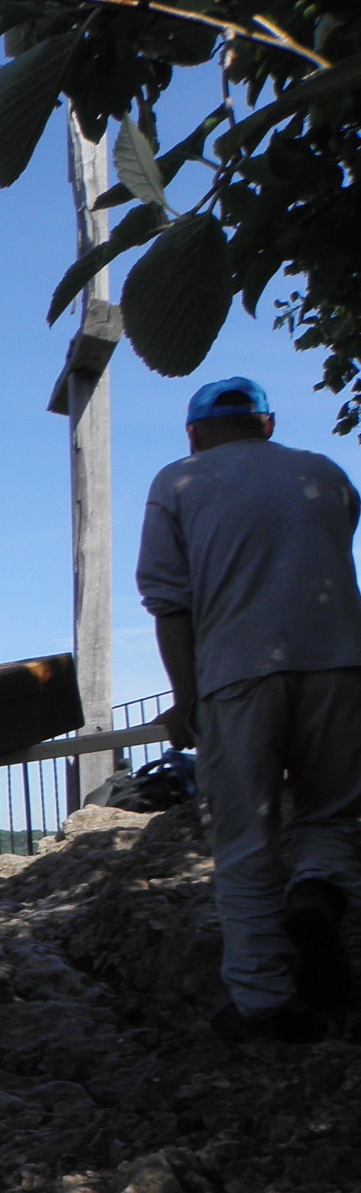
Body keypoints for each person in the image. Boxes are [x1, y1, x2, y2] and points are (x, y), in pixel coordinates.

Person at [138, 376, 361, 1041]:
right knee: (332, 811)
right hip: (340, 663)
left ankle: (264, 1001)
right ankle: (318, 890)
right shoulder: (325, 475)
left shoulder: (177, 482)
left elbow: (170, 602)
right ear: (267, 425)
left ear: (194, 433)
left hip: (238, 672)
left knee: (245, 835)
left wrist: (187, 699)